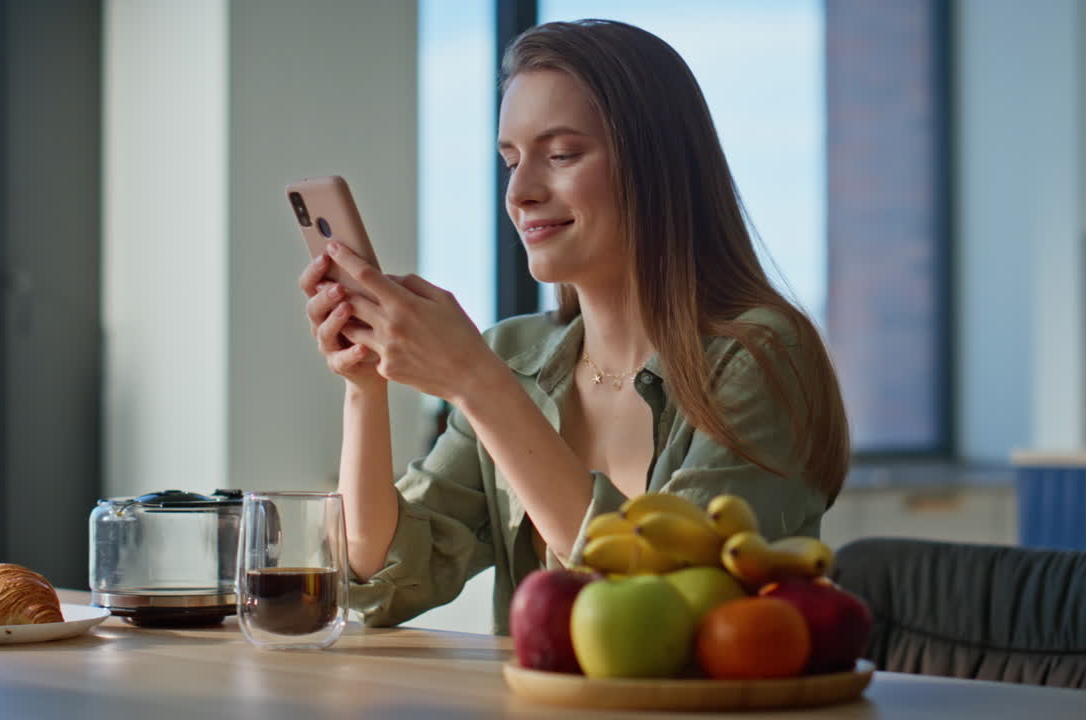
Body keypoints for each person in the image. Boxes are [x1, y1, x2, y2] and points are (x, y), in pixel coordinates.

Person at [297, 19, 849, 635]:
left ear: (658, 166)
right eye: (510, 160)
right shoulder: (516, 352)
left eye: (560, 155)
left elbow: (664, 614)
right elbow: (380, 582)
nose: (521, 191)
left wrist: (479, 386)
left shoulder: (763, 356)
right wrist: (364, 385)